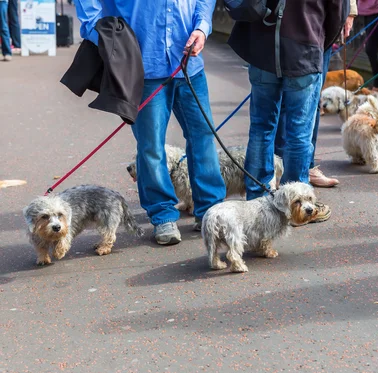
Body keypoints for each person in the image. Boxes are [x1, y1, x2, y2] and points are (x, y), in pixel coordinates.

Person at [74, 0, 227, 245]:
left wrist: (202, 27)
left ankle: (210, 210)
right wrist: (104, 37)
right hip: (143, 66)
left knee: (204, 138)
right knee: (150, 146)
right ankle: (162, 214)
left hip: (189, 63)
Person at [228, 1, 348, 218]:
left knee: (261, 129)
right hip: (304, 47)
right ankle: (297, 205)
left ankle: (257, 199)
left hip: (263, 47)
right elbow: (338, 13)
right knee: (299, 133)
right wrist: (317, 40)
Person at [274, 0, 357, 196]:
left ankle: (305, 167)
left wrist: (349, 11)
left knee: (310, 103)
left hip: (319, 25)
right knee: (286, 105)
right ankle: (279, 171)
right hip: (287, 23)